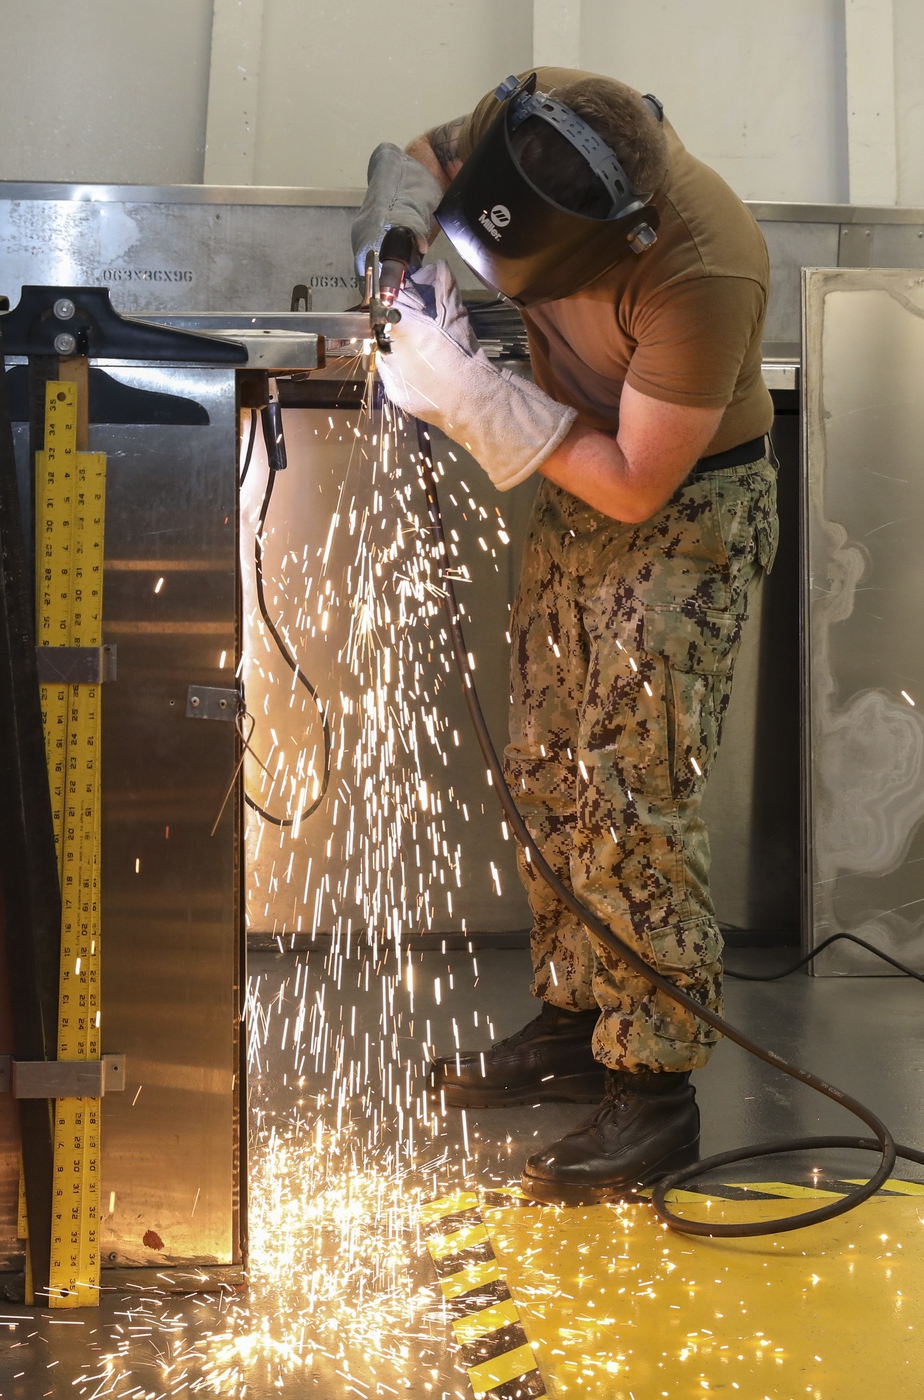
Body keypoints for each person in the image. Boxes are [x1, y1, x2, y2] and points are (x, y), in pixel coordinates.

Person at [351, 68, 778, 1203]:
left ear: (619, 235)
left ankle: (655, 1086)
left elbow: (639, 483)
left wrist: (478, 401)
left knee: (630, 786)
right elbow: (417, 157)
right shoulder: (536, 119)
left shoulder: (701, 261)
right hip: (571, 478)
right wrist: (395, 244)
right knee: (546, 762)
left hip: (679, 512)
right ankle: (574, 1013)